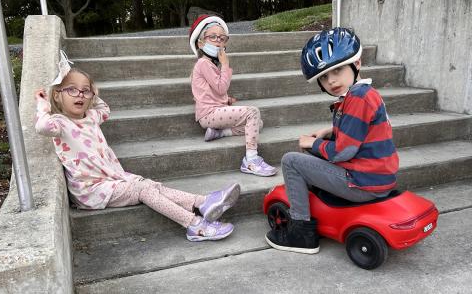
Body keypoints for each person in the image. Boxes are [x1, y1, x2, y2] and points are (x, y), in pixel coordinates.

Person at [35, 51, 241, 242]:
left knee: (152, 185)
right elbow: (42, 126)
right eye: (72, 90)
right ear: (57, 94)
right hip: (92, 191)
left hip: (113, 179)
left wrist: (93, 93)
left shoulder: (90, 116)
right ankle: (194, 224)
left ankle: (202, 202)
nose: (79, 95)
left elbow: (104, 109)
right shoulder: (59, 123)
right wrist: (43, 107)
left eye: (85, 91)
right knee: (144, 189)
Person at [265, 28, 399, 254]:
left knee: (291, 161)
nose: (331, 80)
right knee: (315, 154)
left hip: (362, 182)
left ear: (356, 64)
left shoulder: (356, 98)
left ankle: (301, 233)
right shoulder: (364, 93)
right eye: (324, 77)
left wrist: (312, 143)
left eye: (337, 69)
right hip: (379, 177)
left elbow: (342, 152)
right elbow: (362, 129)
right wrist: (329, 131)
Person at [189, 15, 277, 177]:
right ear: (200, 43)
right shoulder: (203, 63)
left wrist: (227, 100)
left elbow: (211, 92)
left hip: (214, 112)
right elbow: (221, 88)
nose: (218, 41)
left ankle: (220, 133)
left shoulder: (208, 65)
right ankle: (251, 160)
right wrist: (226, 64)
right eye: (212, 37)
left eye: (222, 38)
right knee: (252, 112)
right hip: (209, 114)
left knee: (259, 123)